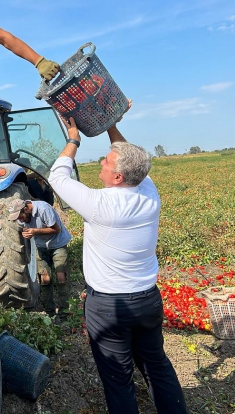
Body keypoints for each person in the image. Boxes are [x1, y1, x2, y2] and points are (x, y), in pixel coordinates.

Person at [47, 111, 189, 414]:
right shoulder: (148, 192)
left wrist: (73, 141)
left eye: (107, 162)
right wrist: (109, 124)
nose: (101, 162)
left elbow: (57, 176)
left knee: (118, 380)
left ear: (118, 177)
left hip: (110, 307)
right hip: (148, 300)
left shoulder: (100, 205)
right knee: (157, 366)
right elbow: (131, 158)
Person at [7, 197, 72, 317]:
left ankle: (64, 313)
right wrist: (27, 233)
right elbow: (27, 228)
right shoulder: (22, 217)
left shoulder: (43, 209)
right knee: (45, 279)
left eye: (20, 216)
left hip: (58, 244)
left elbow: (56, 229)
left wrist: (35, 231)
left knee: (61, 278)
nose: (20, 220)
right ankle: (50, 313)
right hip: (41, 246)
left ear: (26, 208)